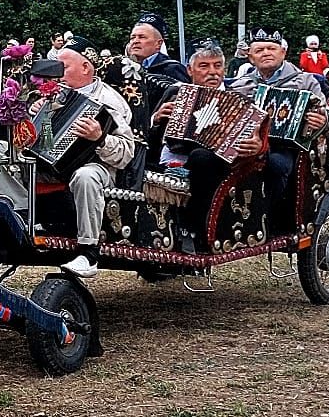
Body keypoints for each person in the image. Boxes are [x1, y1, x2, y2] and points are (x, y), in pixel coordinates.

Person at [38, 38, 136, 279]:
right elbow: (45, 144)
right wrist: (38, 119)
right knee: (4, 157)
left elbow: (126, 153)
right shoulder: (55, 95)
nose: (57, 73)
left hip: (100, 168)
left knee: (86, 175)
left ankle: (88, 253)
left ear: (86, 68)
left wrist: (100, 138)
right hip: (54, 166)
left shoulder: (110, 101)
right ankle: (24, 221)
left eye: (64, 67)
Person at [150, 42, 264, 248]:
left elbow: (258, 136)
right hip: (176, 154)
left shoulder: (240, 96)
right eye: (204, 66)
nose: (212, 72)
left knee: (201, 157)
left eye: (218, 65)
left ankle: (195, 228)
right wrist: (156, 119)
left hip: (222, 163)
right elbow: (153, 135)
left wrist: (256, 143)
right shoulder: (176, 92)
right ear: (190, 70)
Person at [227, 30, 329, 210]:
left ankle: (272, 213)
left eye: (271, 48)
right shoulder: (241, 85)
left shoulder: (305, 82)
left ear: (283, 52)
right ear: (250, 57)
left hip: (286, 148)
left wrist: (323, 121)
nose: (266, 53)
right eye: (259, 50)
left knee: (277, 164)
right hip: (246, 145)